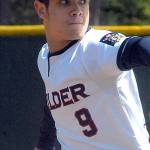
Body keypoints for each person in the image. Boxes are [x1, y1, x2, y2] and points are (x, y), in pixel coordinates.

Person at [34, 0, 150, 150]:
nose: (77, 10)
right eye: (65, 2)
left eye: (82, 2)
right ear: (41, 9)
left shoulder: (94, 46)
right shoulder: (43, 57)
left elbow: (140, 47)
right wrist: (43, 146)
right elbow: (55, 104)